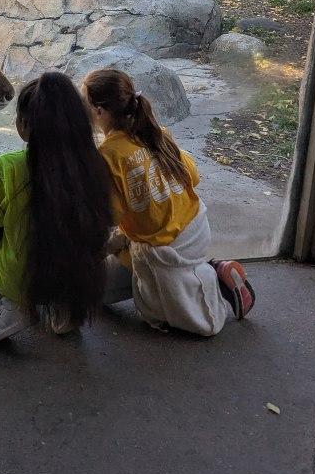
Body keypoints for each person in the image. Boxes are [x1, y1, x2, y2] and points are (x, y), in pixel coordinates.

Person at [82, 69, 255, 335]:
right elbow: (193, 176)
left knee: (198, 324)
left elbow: (111, 216)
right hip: (195, 231)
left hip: (164, 249)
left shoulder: (108, 154)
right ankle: (200, 271)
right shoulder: (157, 133)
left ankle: (211, 277)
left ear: (99, 111)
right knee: (123, 261)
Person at [0, 71, 112, 345]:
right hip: (76, 277)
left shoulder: (8, 167)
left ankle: (7, 305)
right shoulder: (94, 163)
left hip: (24, 280)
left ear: (26, 125)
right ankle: (64, 309)